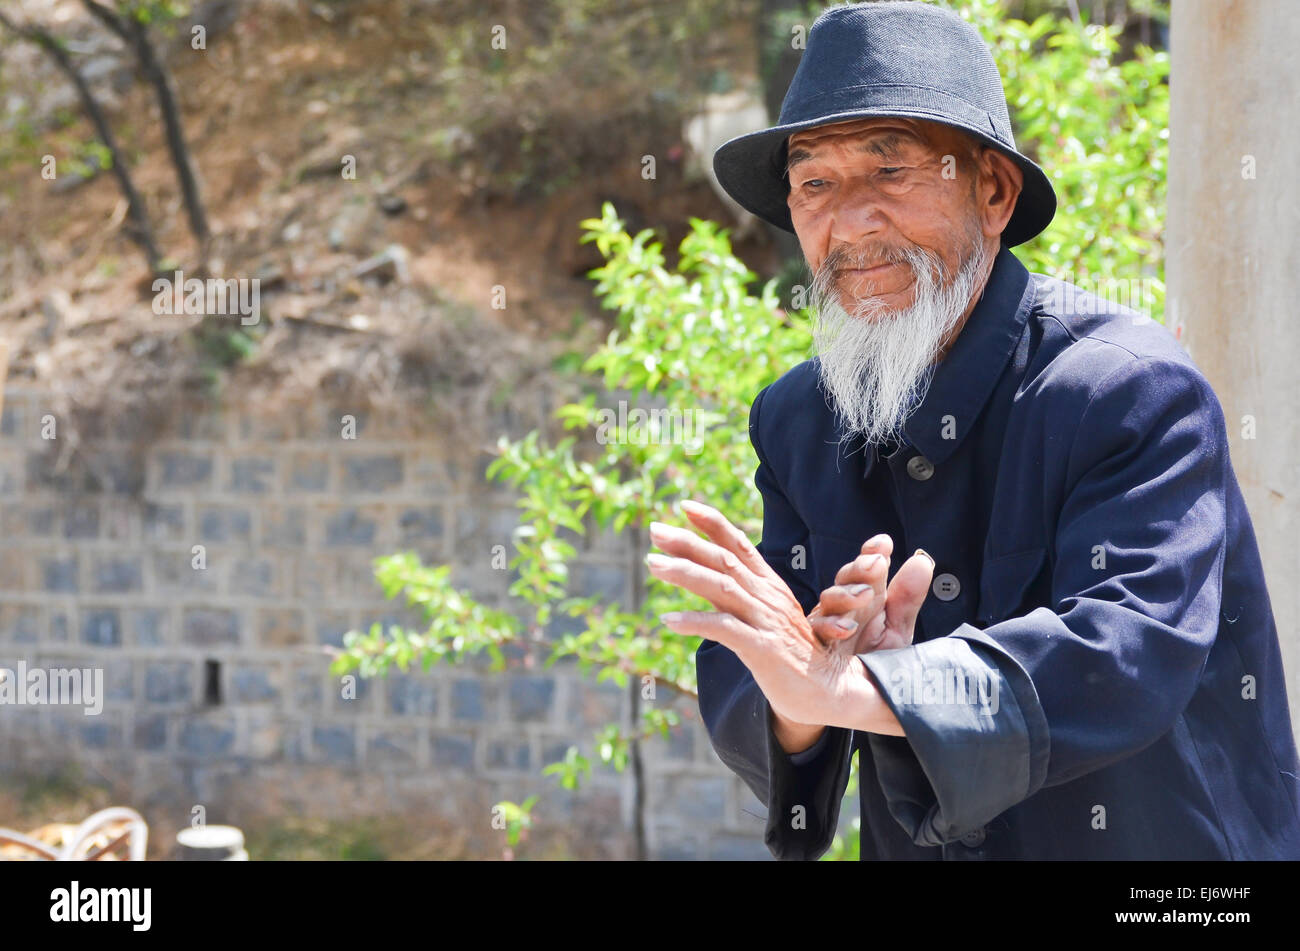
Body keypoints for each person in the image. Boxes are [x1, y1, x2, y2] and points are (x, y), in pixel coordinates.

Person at [645, 1, 1300, 859]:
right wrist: (805, 687)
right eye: (816, 184)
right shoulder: (800, 418)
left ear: (993, 191)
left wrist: (874, 682)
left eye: (891, 173)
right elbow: (781, 679)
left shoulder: (1126, 390)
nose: (850, 223)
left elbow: (1125, 653)